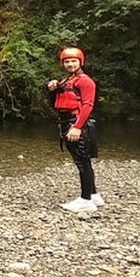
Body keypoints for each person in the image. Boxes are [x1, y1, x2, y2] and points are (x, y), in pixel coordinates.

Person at [47, 47, 102, 213]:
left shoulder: (85, 81)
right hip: (67, 122)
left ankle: (85, 201)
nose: (70, 64)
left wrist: (77, 127)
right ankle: (94, 195)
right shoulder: (66, 81)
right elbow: (55, 102)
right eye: (67, 61)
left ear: (80, 62)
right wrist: (52, 90)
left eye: (73, 61)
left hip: (77, 124)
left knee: (82, 162)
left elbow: (88, 105)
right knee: (84, 161)